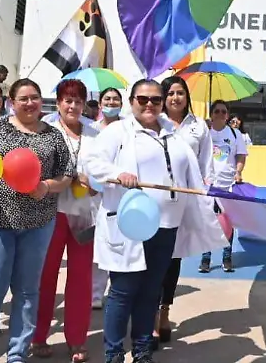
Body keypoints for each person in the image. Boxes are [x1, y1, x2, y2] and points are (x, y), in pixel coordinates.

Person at [82, 79, 226, 363]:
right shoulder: (118, 131)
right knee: (123, 291)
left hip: (167, 226)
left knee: (151, 292)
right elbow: (92, 163)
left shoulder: (173, 134)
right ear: (131, 102)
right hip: (131, 226)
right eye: (143, 99)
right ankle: (113, 354)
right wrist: (117, 173)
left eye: (155, 100)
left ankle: (142, 351)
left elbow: (191, 172)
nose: (149, 104)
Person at [0, 79, 76, 363]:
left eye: (35, 97)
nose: (30, 103)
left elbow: (67, 174)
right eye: (24, 98)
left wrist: (47, 186)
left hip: (38, 224)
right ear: (12, 102)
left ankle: (17, 352)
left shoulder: (53, 135)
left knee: (28, 290)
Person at [32, 79, 100, 362]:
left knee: (81, 278)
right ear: (58, 103)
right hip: (50, 212)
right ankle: (38, 336)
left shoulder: (96, 133)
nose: (73, 106)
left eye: (78, 101)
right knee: (45, 276)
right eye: (67, 101)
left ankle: (77, 338)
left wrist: (94, 184)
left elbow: (104, 171)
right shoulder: (45, 130)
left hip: (84, 213)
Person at [155, 75, 212, 344]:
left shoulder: (198, 126)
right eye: (170, 93)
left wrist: (207, 196)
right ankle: (151, 313)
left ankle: (164, 311)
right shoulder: (154, 122)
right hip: (154, 201)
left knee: (173, 257)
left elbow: (206, 165)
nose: (175, 98)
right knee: (154, 258)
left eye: (180, 93)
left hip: (184, 202)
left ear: (187, 96)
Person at [198, 100, 248, 273]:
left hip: (228, 185)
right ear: (211, 114)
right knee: (208, 222)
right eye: (217, 111)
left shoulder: (235, 134)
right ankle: (206, 258)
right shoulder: (204, 132)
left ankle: (227, 257)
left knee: (228, 222)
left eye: (223, 112)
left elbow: (241, 156)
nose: (220, 114)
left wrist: (238, 172)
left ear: (227, 115)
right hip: (208, 185)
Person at [90, 87, 125, 308]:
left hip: (120, 192)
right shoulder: (91, 130)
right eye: (107, 99)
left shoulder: (128, 128)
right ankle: (96, 292)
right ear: (100, 103)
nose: (111, 103)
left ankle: (118, 288)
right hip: (94, 194)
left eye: (115, 100)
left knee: (119, 242)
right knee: (99, 243)